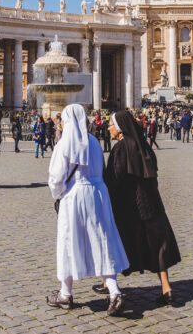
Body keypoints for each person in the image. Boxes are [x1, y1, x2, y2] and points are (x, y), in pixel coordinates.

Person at [46, 104, 129, 314]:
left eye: (63, 119)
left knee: (68, 241)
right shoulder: (93, 142)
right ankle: (114, 291)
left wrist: (58, 195)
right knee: (101, 241)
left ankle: (65, 294)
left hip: (74, 196)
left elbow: (56, 179)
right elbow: (100, 169)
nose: (61, 123)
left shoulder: (64, 144)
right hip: (98, 195)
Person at [103, 110, 181, 306]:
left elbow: (114, 178)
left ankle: (109, 284)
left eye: (111, 125)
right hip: (152, 204)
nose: (108, 128)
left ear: (120, 129)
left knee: (115, 242)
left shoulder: (120, 148)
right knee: (158, 246)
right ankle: (166, 288)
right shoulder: (143, 145)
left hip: (130, 207)